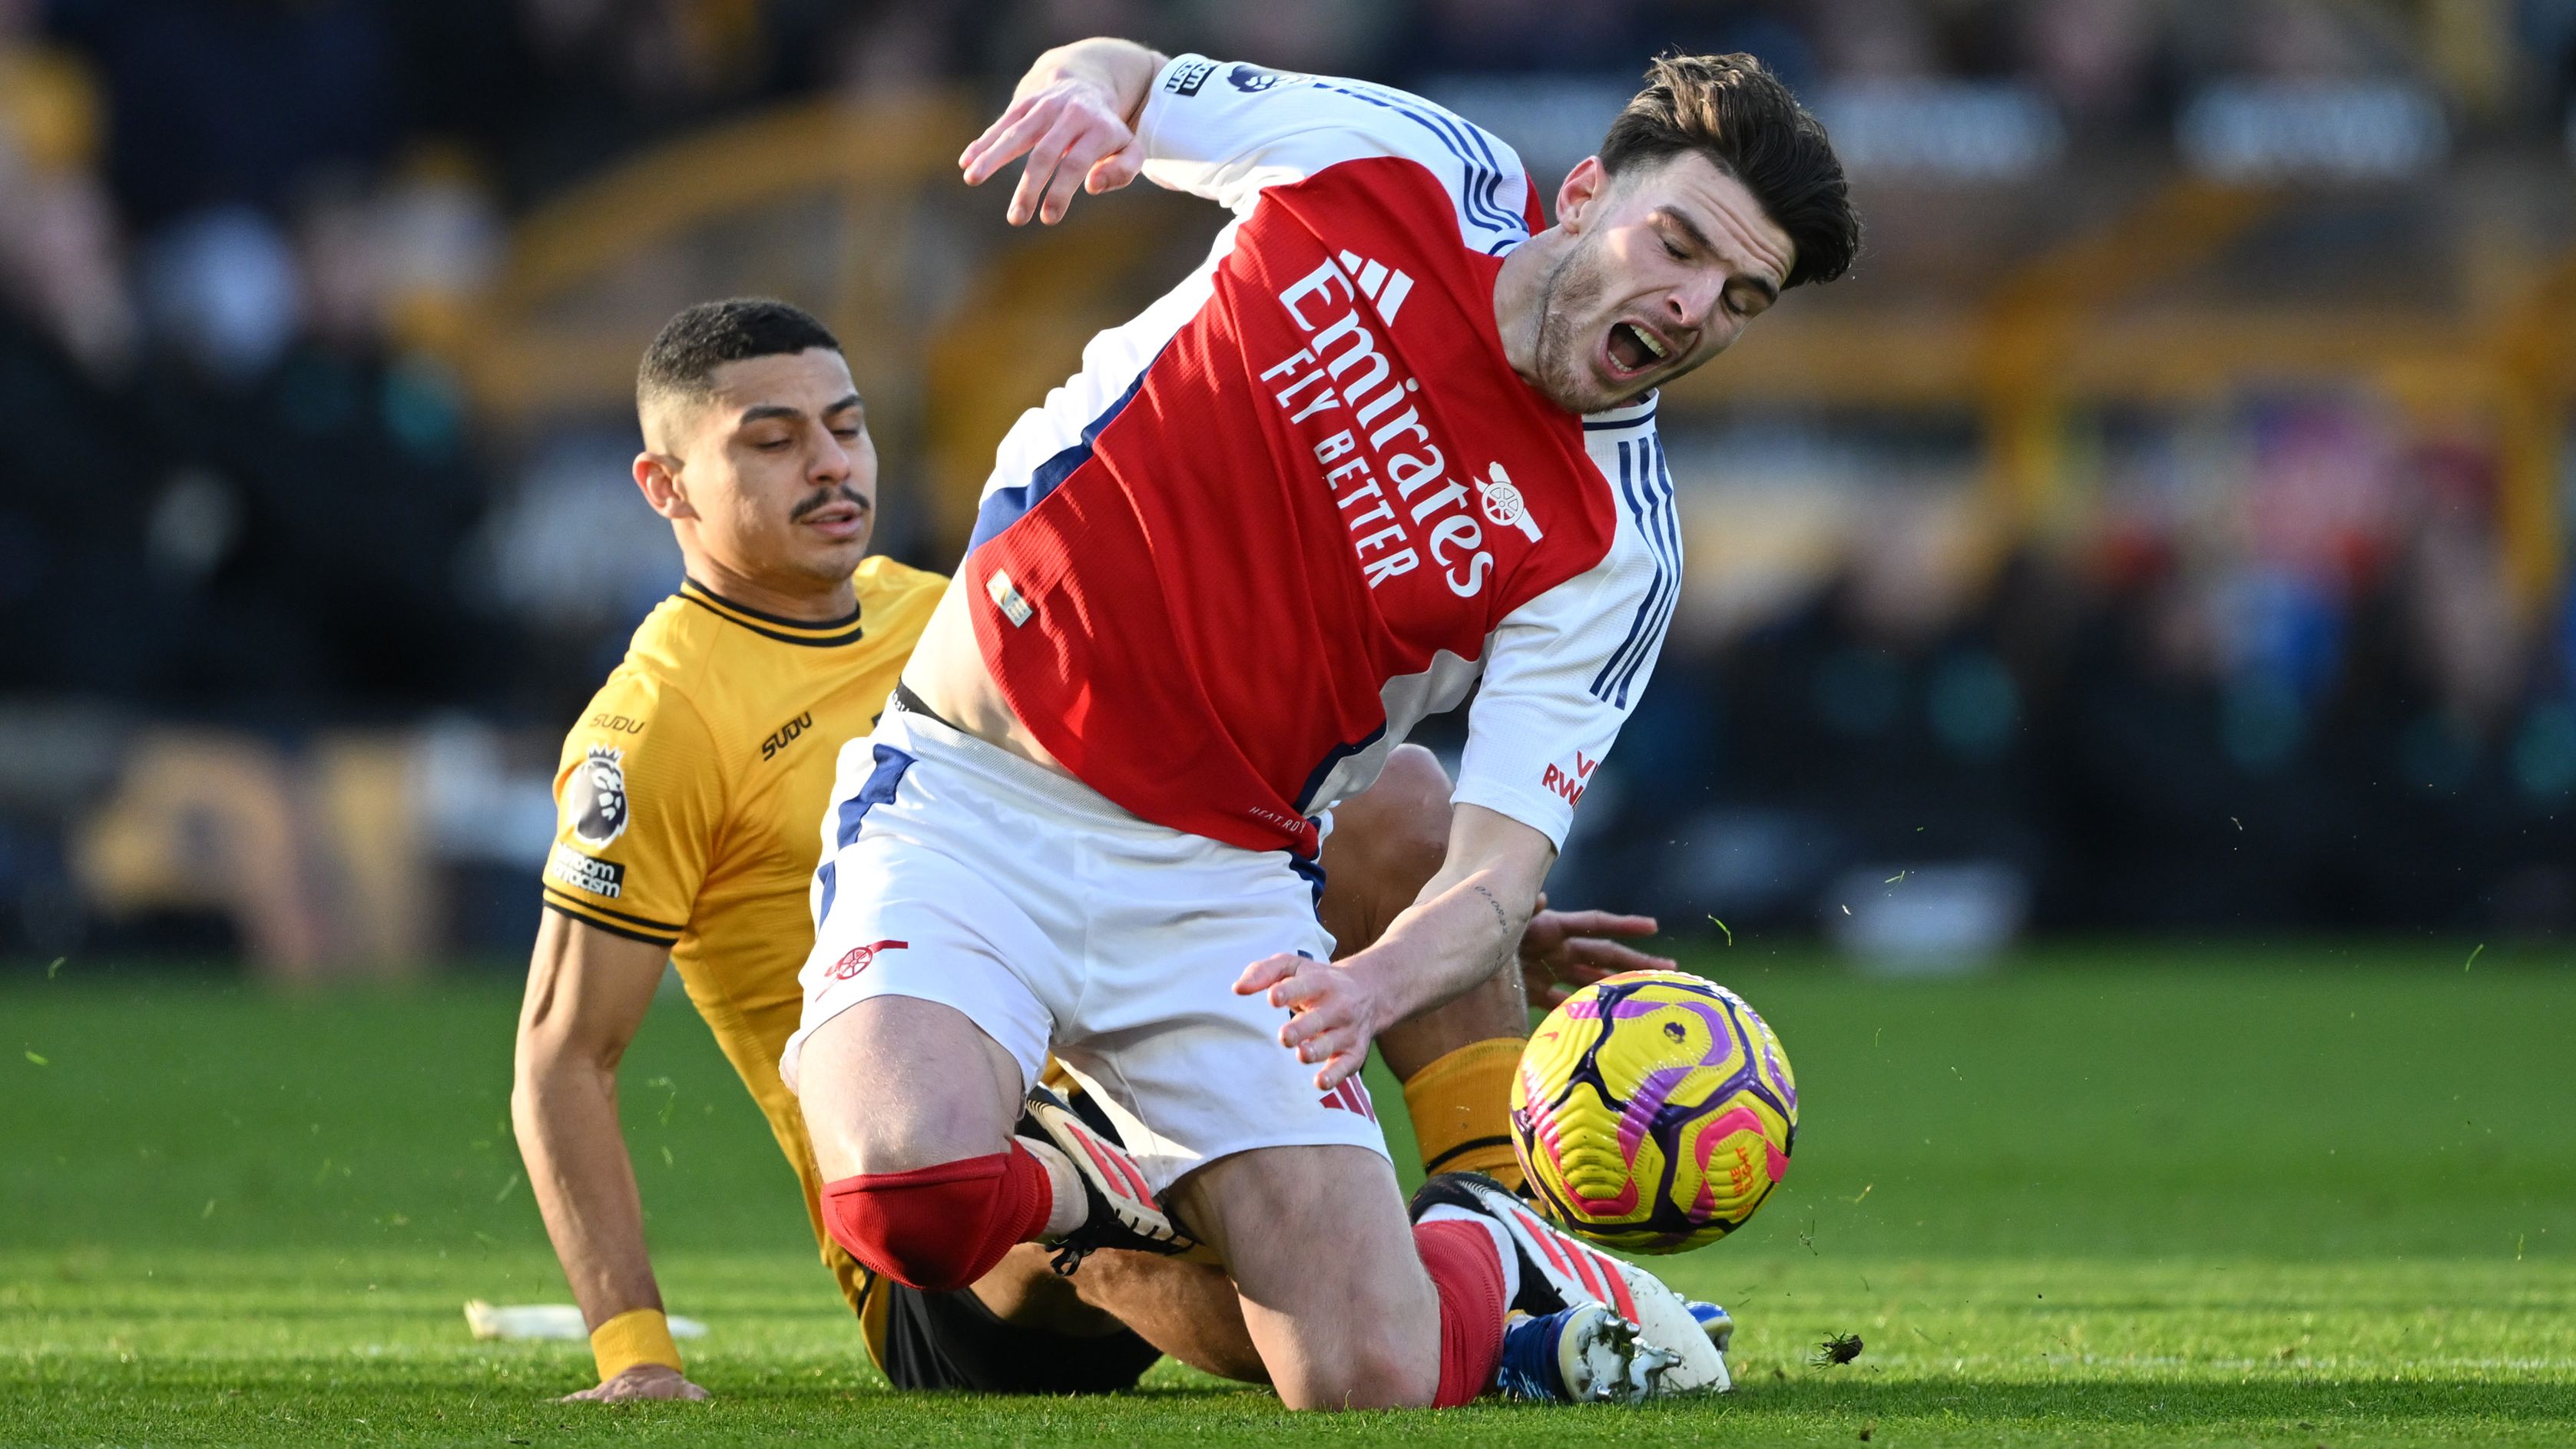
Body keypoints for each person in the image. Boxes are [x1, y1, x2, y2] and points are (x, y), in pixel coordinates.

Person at [787, 40, 1856, 1409]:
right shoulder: (1405, 164)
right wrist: (1074, 92)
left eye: (1740, 295)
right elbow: (1125, 70)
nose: (1692, 302)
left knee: (1364, 1379)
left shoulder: (1612, 549)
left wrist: (1365, 987)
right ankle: (1112, 1171)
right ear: (1584, 191)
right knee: (904, 1201)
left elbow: (1491, 876)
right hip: (972, 797)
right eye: (1680, 241)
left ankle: (1493, 1241)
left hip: (1216, 896)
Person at [511, 298, 1677, 1401]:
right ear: (664, 487)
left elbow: (1201, 800)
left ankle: (1510, 1224)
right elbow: (565, 1054)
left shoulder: (950, 612)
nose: (829, 464)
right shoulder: (658, 721)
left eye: (847, 426)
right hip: (959, 1242)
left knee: (1397, 800)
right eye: (770, 442)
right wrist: (635, 1350)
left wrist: (1458, 933)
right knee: (1239, 1275)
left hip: (1129, 1027)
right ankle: (1479, 1323)